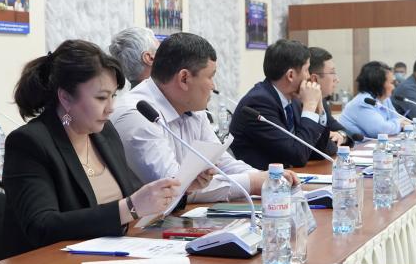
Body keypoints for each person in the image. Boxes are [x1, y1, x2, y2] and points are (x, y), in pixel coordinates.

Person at [1, 40, 180, 256]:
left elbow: (129, 200)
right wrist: (129, 208)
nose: (110, 108)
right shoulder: (30, 142)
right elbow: (42, 226)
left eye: (113, 96)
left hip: (110, 255)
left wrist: (170, 191)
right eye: (101, 98)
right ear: (66, 97)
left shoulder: (105, 132)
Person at [111, 33, 294, 203]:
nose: (213, 86)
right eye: (211, 77)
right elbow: (174, 187)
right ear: (184, 78)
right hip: (142, 223)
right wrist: (253, 183)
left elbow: (221, 162)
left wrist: (267, 179)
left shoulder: (191, 106)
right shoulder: (137, 115)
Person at [228, 39, 335, 169]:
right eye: (307, 70)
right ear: (290, 75)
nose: (309, 77)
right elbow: (297, 156)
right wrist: (310, 107)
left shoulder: (292, 101)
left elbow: (321, 151)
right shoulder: (259, 103)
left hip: (287, 176)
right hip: (260, 179)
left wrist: (319, 109)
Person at [339, 61, 403, 139]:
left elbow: (396, 118)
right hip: (356, 145)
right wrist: (399, 124)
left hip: (375, 144)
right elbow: (381, 130)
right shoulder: (363, 102)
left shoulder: (384, 98)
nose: (393, 87)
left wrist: (395, 124)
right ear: (379, 84)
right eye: (391, 83)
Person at [307, 46, 350, 148]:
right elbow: (319, 147)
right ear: (314, 79)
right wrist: (329, 138)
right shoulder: (299, 105)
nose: (337, 79)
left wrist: (341, 135)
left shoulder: (322, 101)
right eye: (332, 73)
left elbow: (345, 131)